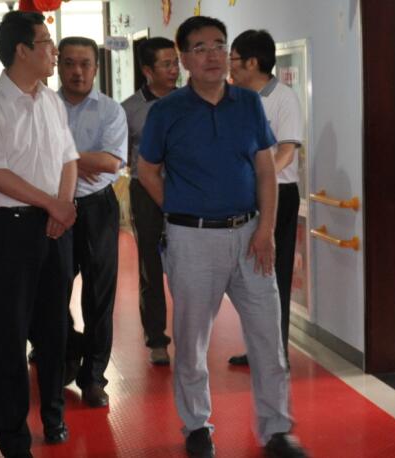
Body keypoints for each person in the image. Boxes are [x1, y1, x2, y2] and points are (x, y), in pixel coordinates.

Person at [138, 16, 308, 458]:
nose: (212, 55)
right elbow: (147, 170)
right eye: (200, 48)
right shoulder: (167, 112)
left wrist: (266, 229)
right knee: (192, 340)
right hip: (192, 240)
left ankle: (276, 430)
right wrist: (179, 208)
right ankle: (197, 425)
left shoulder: (247, 104)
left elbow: (266, 169)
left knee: (268, 338)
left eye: (219, 45)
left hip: (250, 234)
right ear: (184, 58)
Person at [0, 11, 78, 458]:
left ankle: (54, 415)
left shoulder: (51, 101)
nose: (55, 51)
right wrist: (52, 203)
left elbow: (69, 160)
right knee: (10, 337)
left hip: (55, 225)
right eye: (47, 42)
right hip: (9, 230)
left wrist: (62, 205)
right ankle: (12, 437)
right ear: (22, 50)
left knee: (55, 329)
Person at [57, 36, 128, 406]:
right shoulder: (43, 106)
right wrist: (83, 159)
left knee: (99, 294)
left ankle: (94, 377)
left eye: (85, 63)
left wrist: (64, 158)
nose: (77, 71)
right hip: (53, 206)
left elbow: (110, 163)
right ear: (58, 66)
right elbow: (32, 157)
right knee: (51, 289)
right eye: (69, 63)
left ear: (96, 68)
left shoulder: (111, 111)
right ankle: (68, 350)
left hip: (97, 208)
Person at [227, 30, 304, 368]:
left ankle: (276, 353)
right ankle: (258, 346)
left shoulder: (283, 98)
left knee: (275, 273)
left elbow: (287, 151)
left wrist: (262, 177)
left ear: (252, 63)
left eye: (233, 59)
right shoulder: (238, 99)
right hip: (246, 194)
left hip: (279, 194)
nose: (229, 66)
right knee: (250, 276)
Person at [122, 37, 179, 365]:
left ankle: (191, 332)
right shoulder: (130, 109)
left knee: (189, 264)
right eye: (166, 64)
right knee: (151, 266)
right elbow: (123, 157)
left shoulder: (190, 101)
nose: (174, 70)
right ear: (147, 70)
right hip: (144, 190)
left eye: (176, 63)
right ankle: (156, 338)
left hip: (185, 189)